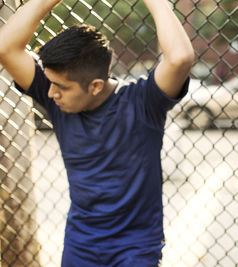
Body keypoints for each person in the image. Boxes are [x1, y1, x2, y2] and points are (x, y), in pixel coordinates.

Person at [0, 0, 194, 265]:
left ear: (95, 86)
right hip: (81, 244)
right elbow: (6, 47)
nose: (49, 92)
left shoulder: (143, 103)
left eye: (59, 86)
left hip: (135, 248)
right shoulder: (58, 100)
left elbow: (180, 58)